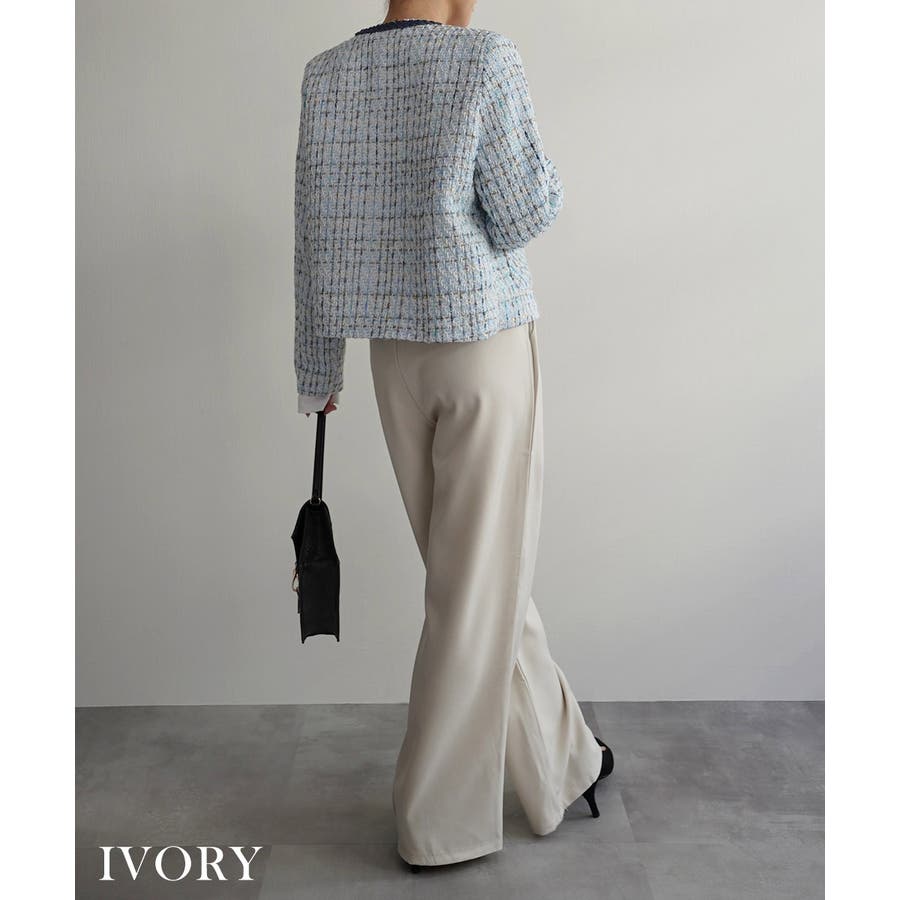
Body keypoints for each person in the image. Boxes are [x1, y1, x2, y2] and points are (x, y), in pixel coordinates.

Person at [293, 0, 614, 871]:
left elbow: (312, 233)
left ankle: (566, 764)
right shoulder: (484, 59)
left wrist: (317, 370)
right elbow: (524, 212)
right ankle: (435, 820)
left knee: (473, 577)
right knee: (472, 589)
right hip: (481, 347)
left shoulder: (327, 76)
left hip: (390, 358)